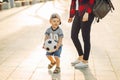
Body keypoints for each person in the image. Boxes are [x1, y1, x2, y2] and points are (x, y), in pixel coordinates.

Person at [68, 0, 95, 68]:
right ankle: (81, 56)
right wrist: (71, 15)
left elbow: (92, 1)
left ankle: (85, 61)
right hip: (78, 12)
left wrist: (87, 12)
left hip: (86, 13)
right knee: (73, 35)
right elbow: (74, 2)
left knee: (85, 37)